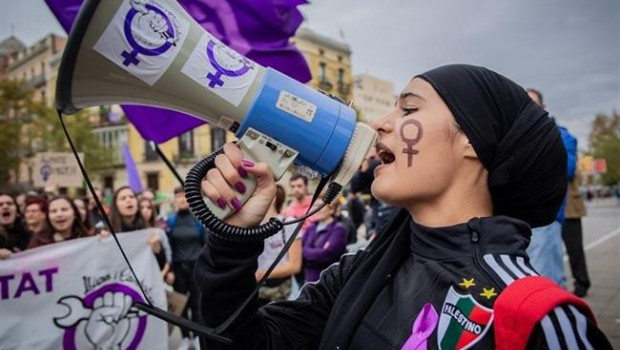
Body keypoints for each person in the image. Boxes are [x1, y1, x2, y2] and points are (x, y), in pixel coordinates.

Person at [195, 64, 612, 349]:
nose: (380, 123)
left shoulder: (535, 316)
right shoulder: (359, 270)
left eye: (409, 108)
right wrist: (231, 240)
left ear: (474, 140)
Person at [524, 88, 570, 287]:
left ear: (543, 107)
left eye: (533, 104)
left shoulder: (560, 135)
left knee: (547, 277)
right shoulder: (518, 137)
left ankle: (556, 316)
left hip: (545, 218)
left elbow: (567, 168)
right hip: (519, 219)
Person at [166, 186, 205, 350]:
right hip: (178, 269)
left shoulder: (199, 219)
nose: (182, 199)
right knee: (181, 306)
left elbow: (205, 244)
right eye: (179, 197)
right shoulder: (170, 221)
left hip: (196, 267)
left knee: (197, 305)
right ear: (175, 200)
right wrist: (169, 270)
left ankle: (196, 337)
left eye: (185, 196)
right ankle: (184, 338)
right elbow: (168, 246)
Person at [255, 184, 302, 305]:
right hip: (257, 292)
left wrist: (263, 274)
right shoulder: (251, 226)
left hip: (282, 292)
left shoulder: (289, 223)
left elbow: (295, 265)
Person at [301, 200, 348, 283]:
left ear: (331, 209)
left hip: (328, 280)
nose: (316, 208)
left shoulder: (338, 229)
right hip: (308, 278)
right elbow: (299, 250)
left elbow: (326, 255)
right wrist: (318, 251)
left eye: (320, 205)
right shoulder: (311, 227)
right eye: (314, 205)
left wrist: (306, 252)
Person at [563, 168, 591, 297]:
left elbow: (574, 175)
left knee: (575, 248)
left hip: (570, 210)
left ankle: (582, 282)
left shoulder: (569, 153)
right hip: (554, 208)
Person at [139, 197, 174, 283]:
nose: (145, 210)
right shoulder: (132, 233)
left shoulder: (159, 232)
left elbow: (168, 253)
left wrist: (164, 273)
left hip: (159, 275)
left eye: (148, 207)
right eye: (142, 207)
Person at [0, 193, 30, 259]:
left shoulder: (28, 235)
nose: (5, 207)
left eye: (9, 204)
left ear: (17, 212)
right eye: (0, 205)